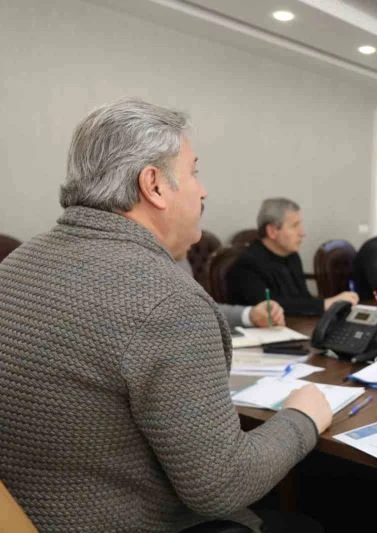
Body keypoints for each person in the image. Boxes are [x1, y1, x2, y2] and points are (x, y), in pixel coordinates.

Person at [0, 99, 332, 532]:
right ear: (154, 185)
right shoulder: (167, 300)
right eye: (194, 172)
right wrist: (303, 418)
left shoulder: (16, 264)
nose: (203, 190)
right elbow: (224, 485)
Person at [227, 198, 358, 316]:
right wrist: (325, 304)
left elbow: (303, 299)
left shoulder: (292, 256)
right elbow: (270, 307)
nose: (302, 233)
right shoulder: (248, 265)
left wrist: (334, 305)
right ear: (272, 231)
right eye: (295, 226)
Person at [176, 253, 285, 328]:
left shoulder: (181, 258)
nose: (197, 238)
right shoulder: (249, 263)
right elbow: (187, 315)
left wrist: (251, 315)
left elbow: (196, 311)